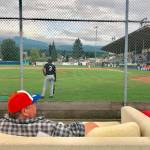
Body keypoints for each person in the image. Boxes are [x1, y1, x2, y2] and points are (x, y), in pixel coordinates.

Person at [0, 90, 98, 137]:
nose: (36, 106)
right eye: (34, 103)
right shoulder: (47, 127)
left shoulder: (1, 125)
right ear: (25, 111)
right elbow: (80, 131)